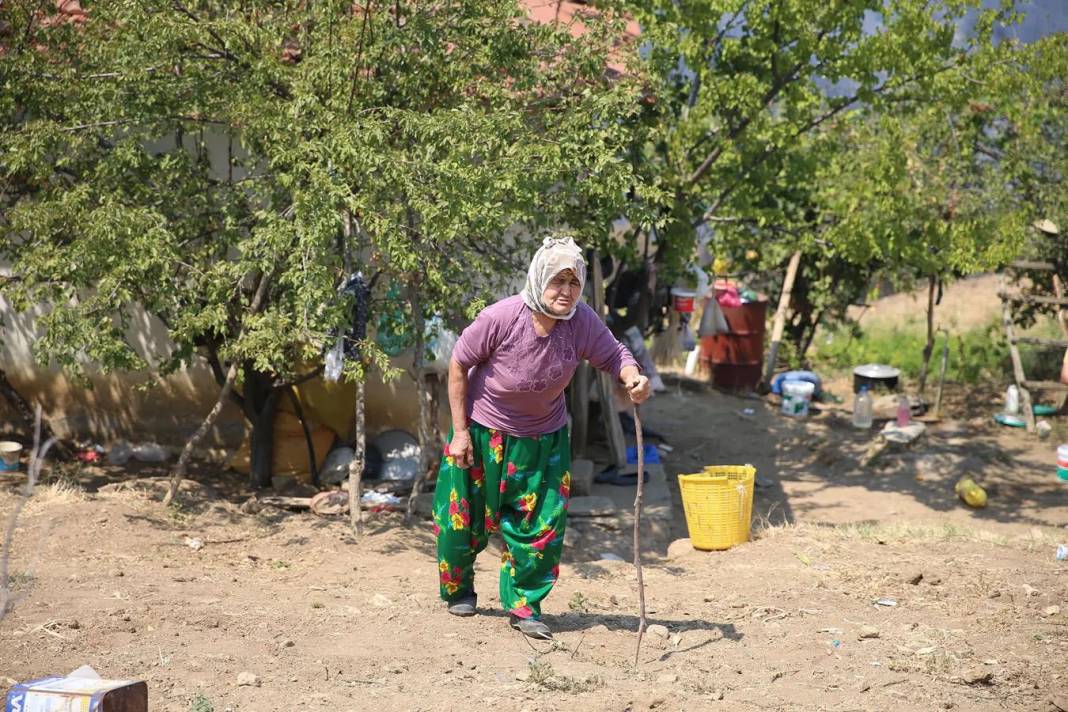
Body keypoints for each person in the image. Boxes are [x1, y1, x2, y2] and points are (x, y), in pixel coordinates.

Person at [432, 235, 651, 639]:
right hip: (483, 432)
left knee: (541, 526)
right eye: (557, 281)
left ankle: (524, 605)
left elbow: (615, 354)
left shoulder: (581, 322)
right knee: (462, 519)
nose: (565, 291)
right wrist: (460, 432)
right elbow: (459, 364)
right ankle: (459, 588)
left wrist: (633, 377)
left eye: (573, 282)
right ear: (537, 279)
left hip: (543, 439)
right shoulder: (501, 317)